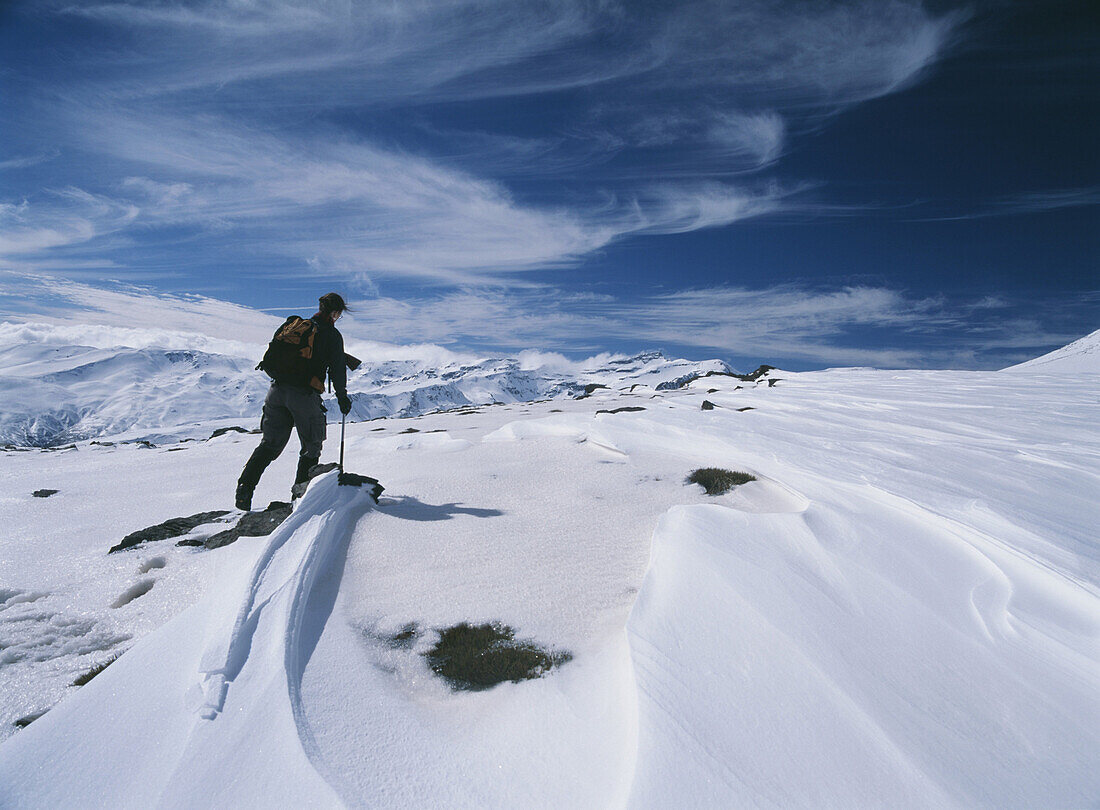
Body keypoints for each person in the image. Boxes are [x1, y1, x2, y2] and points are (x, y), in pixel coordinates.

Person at [235, 292, 353, 510]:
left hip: (276, 390)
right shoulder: (332, 335)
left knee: (269, 445)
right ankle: (300, 499)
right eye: (339, 314)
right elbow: (337, 369)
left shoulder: (297, 327)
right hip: (304, 396)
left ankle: (244, 490)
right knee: (311, 447)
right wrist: (342, 395)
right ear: (335, 313)